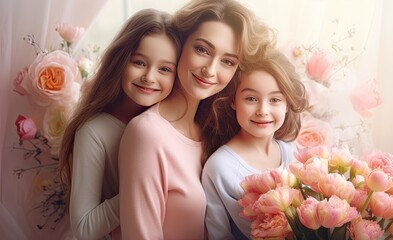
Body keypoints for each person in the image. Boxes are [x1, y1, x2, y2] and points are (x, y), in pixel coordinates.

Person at [117, 0, 276, 239]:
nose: (210, 70)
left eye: (227, 61)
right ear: (182, 44)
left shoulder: (211, 130)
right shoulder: (147, 134)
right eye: (202, 50)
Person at [58, 8, 180, 240]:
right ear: (120, 62)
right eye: (139, 62)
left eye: (164, 69)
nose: (149, 77)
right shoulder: (94, 131)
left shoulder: (173, 125)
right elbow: (83, 228)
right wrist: (141, 188)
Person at [201, 49, 308, 239]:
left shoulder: (291, 150)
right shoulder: (220, 167)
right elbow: (219, 234)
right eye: (251, 99)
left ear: (287, 104)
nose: (263, 111)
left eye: (275, 99)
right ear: (233, 100)